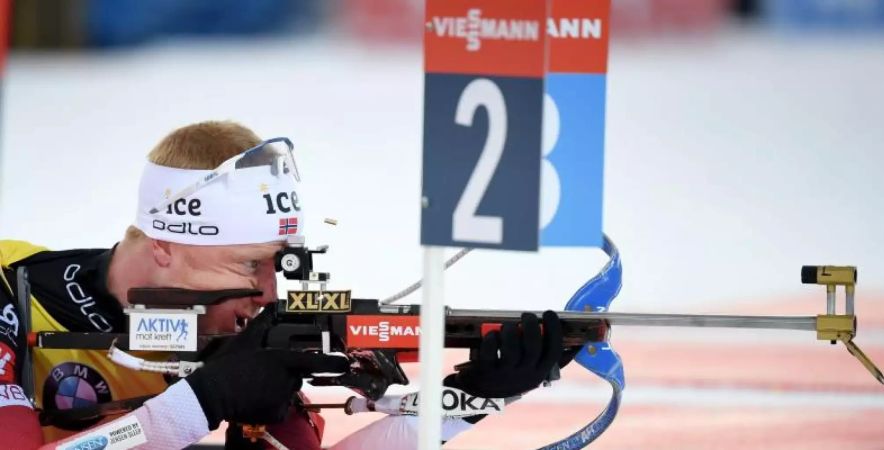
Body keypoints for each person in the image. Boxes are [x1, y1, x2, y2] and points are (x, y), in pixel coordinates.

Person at [0, 121, 565, 449]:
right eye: (248, 266)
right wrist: (203, 401)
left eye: (282, 265)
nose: (270, 294)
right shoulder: (9, 292)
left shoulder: (234, 331)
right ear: (165, 246)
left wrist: (464, 400)